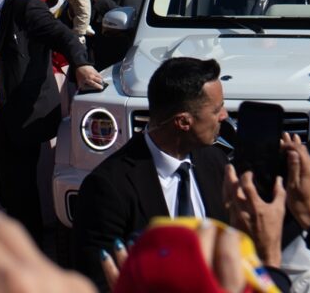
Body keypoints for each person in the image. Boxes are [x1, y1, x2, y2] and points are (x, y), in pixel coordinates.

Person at [0, 0, 103, 240]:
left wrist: (81, 64)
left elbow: (63, 36)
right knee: (5, 189)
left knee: (21, 193)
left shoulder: (25, 8)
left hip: (20, 117)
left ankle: (29, 250)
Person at [73, 57, 229, 289]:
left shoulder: (215, 162)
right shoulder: (108, 188)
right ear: (183, 122)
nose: (224, 115)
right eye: (216, 110)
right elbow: (97, 281)